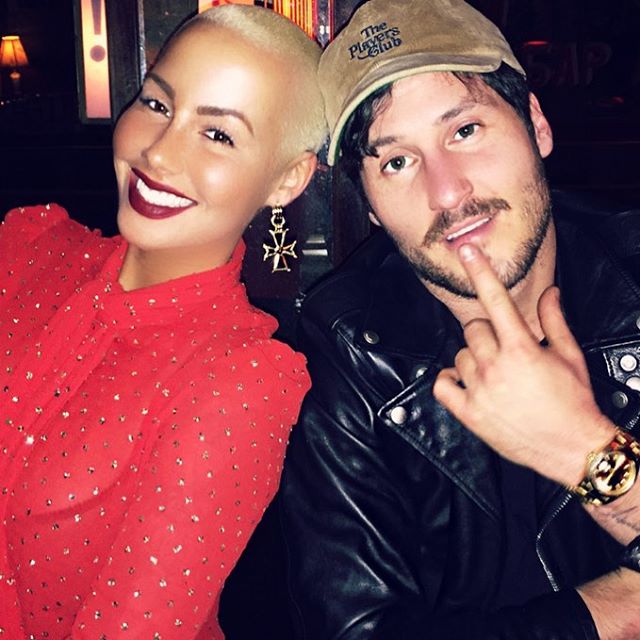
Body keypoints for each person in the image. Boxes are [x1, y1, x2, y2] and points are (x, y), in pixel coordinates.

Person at [279, 0, 640, 637]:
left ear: (536, 124)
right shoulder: (346, 352)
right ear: (370, 208)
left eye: (465, 130)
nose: (447, 192)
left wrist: (582, 449)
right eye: (396, 161)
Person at [0, 5, 326, 638]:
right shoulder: (27, 247)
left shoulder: (242, 381)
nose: (158, 150)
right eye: (156, 103)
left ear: (287, 178)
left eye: (218, 134)